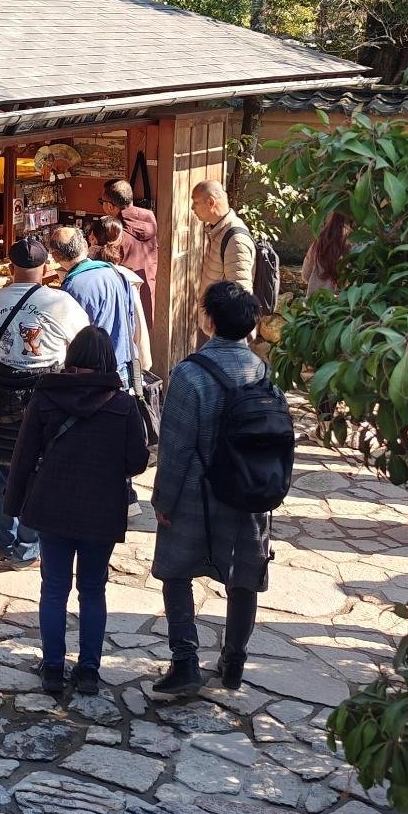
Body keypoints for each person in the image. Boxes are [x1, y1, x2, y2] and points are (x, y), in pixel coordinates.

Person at [5, 325, 150, 697]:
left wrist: (13, 505)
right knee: (93, 589)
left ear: (72, 356)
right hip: (101, 508)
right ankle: (88, 671)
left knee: (53, 588)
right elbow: (137, 461)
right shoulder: (123, 404)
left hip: (52, 503)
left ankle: (53, 667)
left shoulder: (45, 396)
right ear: (107, 361)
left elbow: (22, 457)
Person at [150, 281, 270, 696]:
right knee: (244, 576)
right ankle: (233, 661)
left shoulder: (189, 374)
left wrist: (163, 499)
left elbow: (176, 446)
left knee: (176, 570)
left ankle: (185, 661)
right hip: (250, 491)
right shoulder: (262, 371)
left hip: (197, 493)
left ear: (209, 321)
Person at [0, 238, 87, 566]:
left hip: (2, 396)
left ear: (11, 267)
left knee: (1, 468)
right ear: (45, 267)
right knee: (39, 469)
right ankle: (27, 545)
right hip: (46, 396)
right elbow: (84, 341)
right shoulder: (61, 303)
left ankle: (1, 537)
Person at [49, 223, 136, 385]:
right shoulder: (115, 273)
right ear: (85, 245)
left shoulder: (72, 287)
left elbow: (73, 340)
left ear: (55, 256)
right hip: (123, 365)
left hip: (94, 377)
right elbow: (131, 322)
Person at [191, 180, 256, 333]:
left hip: (227, 336)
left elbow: (241, 299)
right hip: (218, 330)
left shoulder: (235, 239)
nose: (192, 208)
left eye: (195, 202)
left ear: (211, 202)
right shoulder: (219, 232)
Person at [103, 178, 158, 327]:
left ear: (110, 206)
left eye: (102, 202)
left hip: (124, 299)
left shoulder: (116, 233)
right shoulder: (148, 219)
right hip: (146, 293)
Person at [302, 210, 349, 295]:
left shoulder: (320, 242)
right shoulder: (355, 243)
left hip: (314, 302)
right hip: (340, 304)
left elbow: (306, 274)